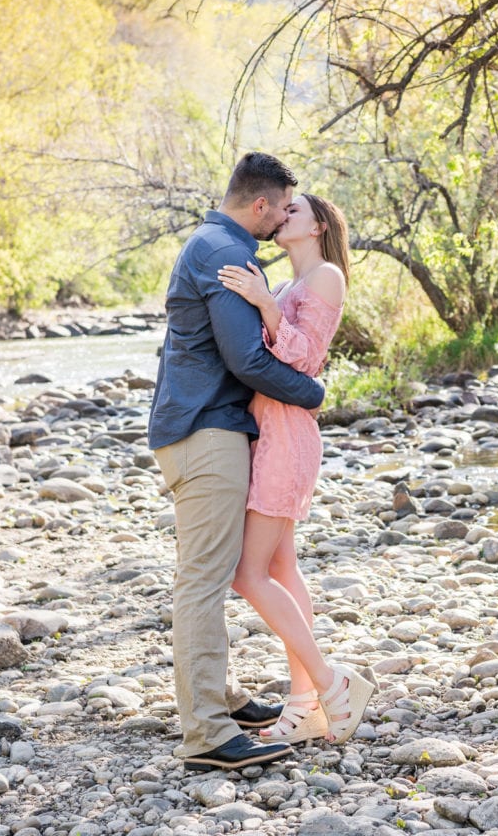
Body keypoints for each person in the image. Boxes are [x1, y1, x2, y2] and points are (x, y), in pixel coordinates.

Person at [148, 153, 326, 772]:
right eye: (281, 209)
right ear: (260, 204)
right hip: (206, 431)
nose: (282, 221)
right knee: (203, 579)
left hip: (201, 427)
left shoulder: (213, 243)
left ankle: (224, 701)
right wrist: (313, 394)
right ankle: (208, 734)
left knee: (214, 569)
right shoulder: (225, 251)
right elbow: (247, 359)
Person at [217, 193, 374, 746]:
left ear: (318, 226)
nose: (282, 216)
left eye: (294, 211)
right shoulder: (287, 285)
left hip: (287, 435)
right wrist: (266, 299)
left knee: (247, 573)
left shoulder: (326, 277)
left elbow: (305, 358)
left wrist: (264, 303)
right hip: (268, 429)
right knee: (282, 569)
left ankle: (332, 684)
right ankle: (304, 703)